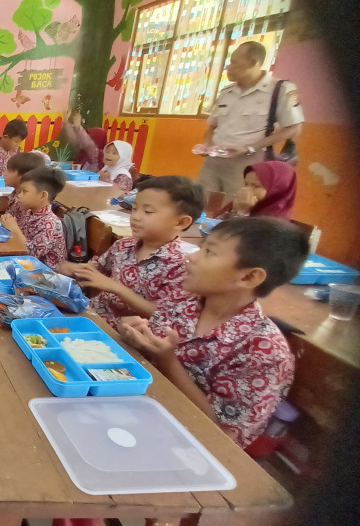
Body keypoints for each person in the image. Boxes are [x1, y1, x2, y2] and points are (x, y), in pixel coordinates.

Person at [119, 217, 309, 448]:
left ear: (249, 277)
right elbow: (147, 356)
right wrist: (135, 337)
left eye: (209, 252)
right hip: (132, 407)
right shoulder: (183, 299)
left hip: (179, 444)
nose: (192, 256)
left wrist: (167, 360)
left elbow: (223, 438)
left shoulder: (264, 351)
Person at [63, 176, 203, 331]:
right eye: (135, 208)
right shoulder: (124, 245)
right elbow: (97, 269)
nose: (135, 217)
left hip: (124, 336)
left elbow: (162, 314)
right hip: (92, 316)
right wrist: (78, 270)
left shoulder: (179, 266)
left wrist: (117, 288)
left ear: (181, 222)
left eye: (148, 211)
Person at [197, 41, 304, 198]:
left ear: (253, 62)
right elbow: (213, 126)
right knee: (200, 202)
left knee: (235, 208)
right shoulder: (227, 92)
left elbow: (294, 128)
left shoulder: (280, 89)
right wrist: (207, 145)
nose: (228, 67)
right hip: (214, 161)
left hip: (247, 164)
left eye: (234, 62)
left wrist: (250, 147)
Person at [0, 167, 67, 269]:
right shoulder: (27, 212)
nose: (19, 195)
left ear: (42, 196)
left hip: (44, 275)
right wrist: (8, 224)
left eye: (24, 191)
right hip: (21, 264)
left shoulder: (50, 224)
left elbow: (32, 255)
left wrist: (14, 230)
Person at [219, 161, 297, 220]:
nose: (245, 189)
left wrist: (242, 213)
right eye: (246, 184)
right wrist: (234, 210)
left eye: (255, 186)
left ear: (276, 191)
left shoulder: (275, 223)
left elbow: (237, 239)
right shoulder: (243, 204)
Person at [3, 152, 47, 225]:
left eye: (9, 171)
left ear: (25, 175)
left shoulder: (27, 203)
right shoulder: (14, 194)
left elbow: (18, 230)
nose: (4, 173)